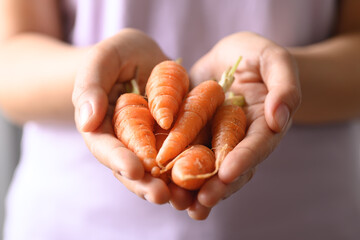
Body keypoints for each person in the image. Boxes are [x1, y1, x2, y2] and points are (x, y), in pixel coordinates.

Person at [0, 0, 359, 239]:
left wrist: (280, 78)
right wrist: (98, 76)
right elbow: (8, 63)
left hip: (303, 220)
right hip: (73, 223)